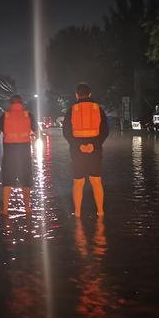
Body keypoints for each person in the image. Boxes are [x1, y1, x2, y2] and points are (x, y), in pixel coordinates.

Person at [63, 82, 108, 217]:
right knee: (96, 181)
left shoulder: (72, 109)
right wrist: (94, 145)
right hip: (95, 151)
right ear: (90, 94)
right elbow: (105, 130)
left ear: (77, 95)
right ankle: (100, 212)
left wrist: (78, 146)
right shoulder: (98, 108)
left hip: (77, 152)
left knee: (78, 183)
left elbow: (66, 131)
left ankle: (77, 213)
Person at [0, 94, 39, 216]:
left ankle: (5, 210)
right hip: (24, 153)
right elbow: (38, 133)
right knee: (26, 181)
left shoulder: (5, 116)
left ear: (11, 104)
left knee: (7, 181)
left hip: (9, 154)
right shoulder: (28, 115)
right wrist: (33, 141)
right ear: (21, 103)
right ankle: (27, 208)